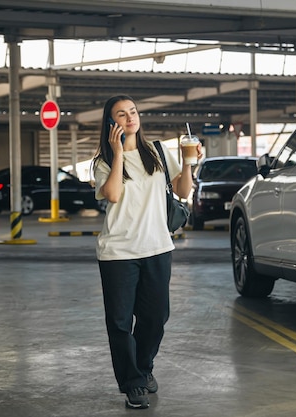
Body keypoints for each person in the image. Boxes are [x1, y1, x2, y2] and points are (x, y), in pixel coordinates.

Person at [92, 95, 202, 409]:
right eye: (121, 115)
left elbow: (181, 191)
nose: (130, 118)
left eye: (133, 112)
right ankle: (133, 383)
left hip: (157, 247)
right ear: (111, 123)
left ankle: (143, 367)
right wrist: (117, 154)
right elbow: (112, 194)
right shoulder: (102, 160)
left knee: (156, 318)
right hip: (118, 252)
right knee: (121, 322)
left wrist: (188, 161)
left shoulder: (156, 151)